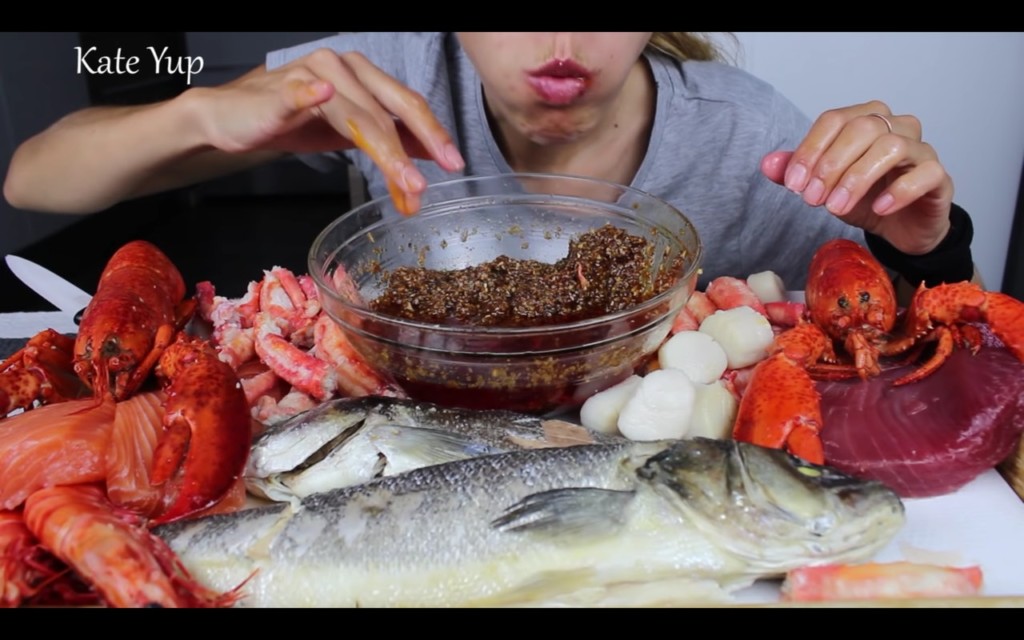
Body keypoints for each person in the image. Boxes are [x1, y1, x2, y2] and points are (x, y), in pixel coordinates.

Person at [3, 32, 979, 294]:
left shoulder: (746, 135)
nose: (560, 42)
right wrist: (202, 113)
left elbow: (912, 343)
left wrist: (926, 245)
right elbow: (33, 179)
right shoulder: (391, 72)